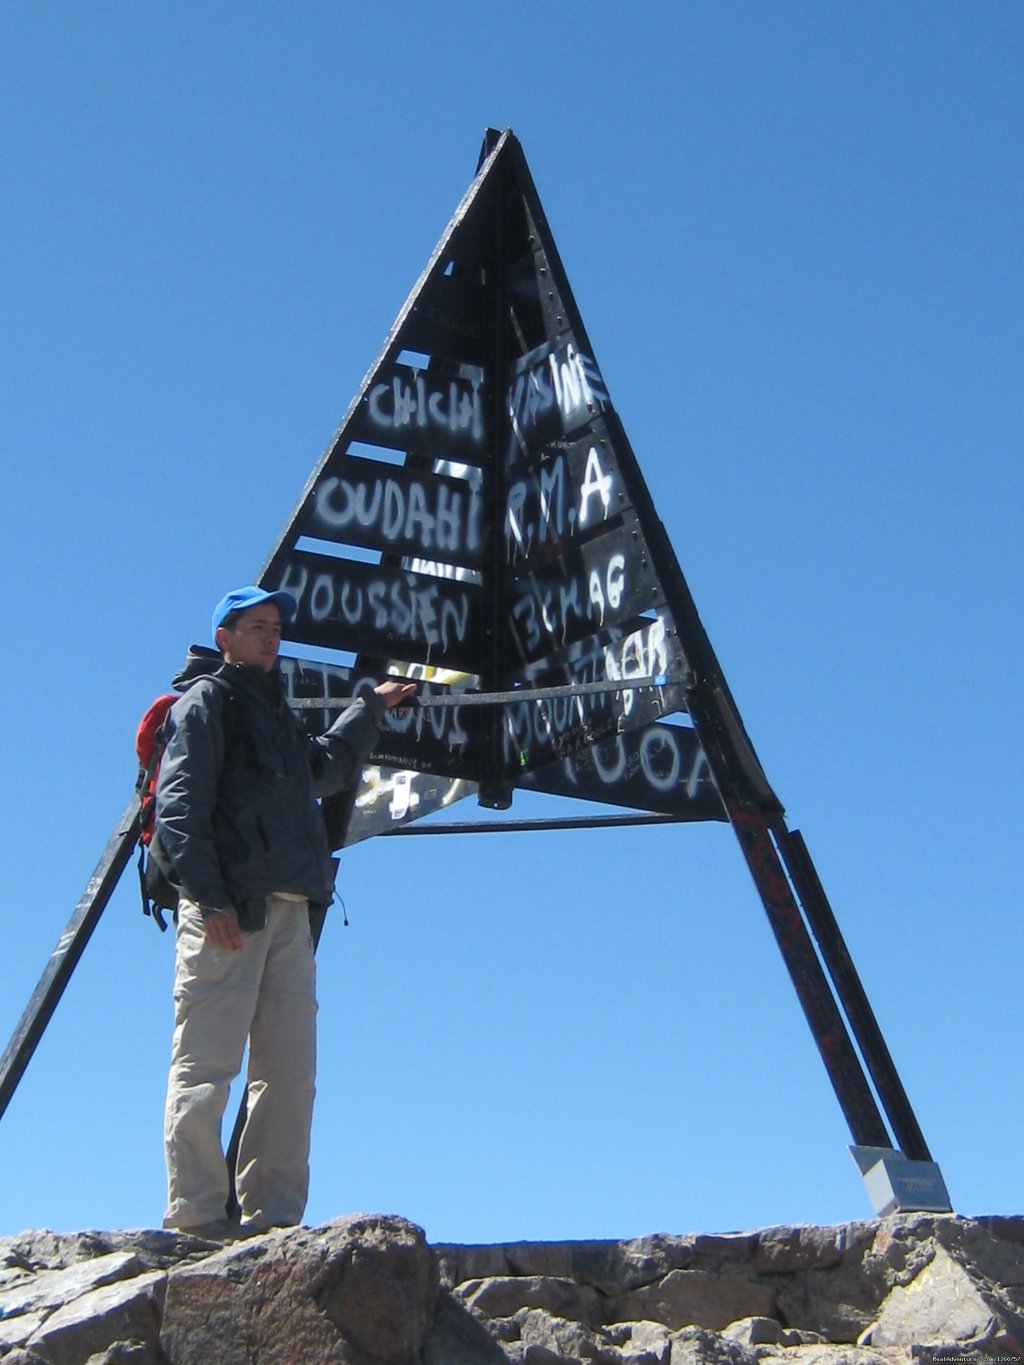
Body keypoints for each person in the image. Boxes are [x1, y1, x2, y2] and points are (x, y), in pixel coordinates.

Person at [155, 584, 416, 1237]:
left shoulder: (277, 712)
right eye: (257, 625)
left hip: (291, 907)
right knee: (207, 1064)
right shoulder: (207, 704)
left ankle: (273, 1219)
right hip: (227, 909)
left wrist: (367, 707)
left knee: (289, 1071)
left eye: (275, 626)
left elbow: (322, 771)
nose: (272, 636)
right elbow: (178, 809)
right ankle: (196, 1216)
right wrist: (209, 896)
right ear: (226, 637)